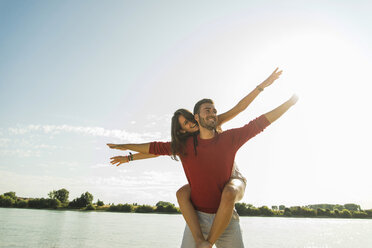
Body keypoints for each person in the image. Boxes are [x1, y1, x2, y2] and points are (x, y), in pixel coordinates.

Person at [108, 69, 298, 247]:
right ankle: (201, 239)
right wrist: (128, 154)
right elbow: (156, 149)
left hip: (230, 179)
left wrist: (269, 88)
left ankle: (206, 243)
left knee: (229, 192)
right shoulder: (185, 145)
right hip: (201, 208)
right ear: (184, 129)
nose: (191, 124)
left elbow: (248, 114)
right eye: (186, 124)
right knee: (182, 193)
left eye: (212, 110)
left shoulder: (220, 128)